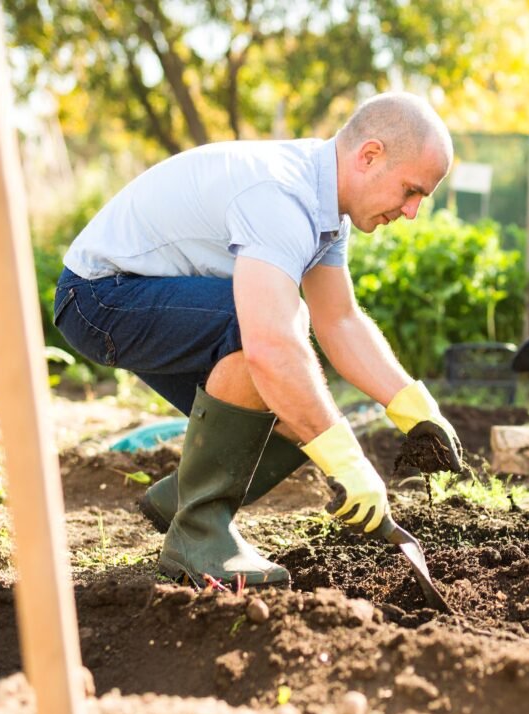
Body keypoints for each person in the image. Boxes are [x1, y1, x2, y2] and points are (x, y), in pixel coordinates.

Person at [53, 91, 463, 589]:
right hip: (99, 295)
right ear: (370, 155)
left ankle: (181, 499)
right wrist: (348, 462)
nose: (413, 211)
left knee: (297, 403)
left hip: (140, 294)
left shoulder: (325, 210)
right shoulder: (282, 196)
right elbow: (269, 343)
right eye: (411, 191)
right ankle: (198, 533)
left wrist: (413, 407)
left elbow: (339, 321)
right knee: (268, 346)